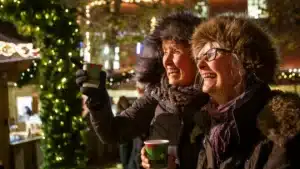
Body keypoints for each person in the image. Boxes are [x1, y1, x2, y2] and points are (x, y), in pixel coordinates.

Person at [76, 11, 208, 169]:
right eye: (165, 52)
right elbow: (113, 132)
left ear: (197, 57)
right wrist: (98, 101)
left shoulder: (217, 101)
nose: (167, 61)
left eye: (176, 52)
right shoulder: (158, 96)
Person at [191, 13, 300, 168]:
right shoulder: (209, 126)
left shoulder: (281, 128)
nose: (200, 65)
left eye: (210, 54)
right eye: (198, 58)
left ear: (243, 62)